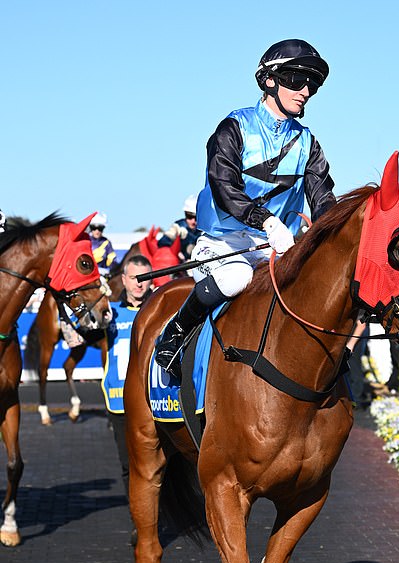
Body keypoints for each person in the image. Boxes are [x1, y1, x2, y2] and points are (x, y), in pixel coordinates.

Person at [154, 38, 336, 380]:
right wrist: (266, 220)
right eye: (297, 80)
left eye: (312, 84)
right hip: (224, 244)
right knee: (236, 277)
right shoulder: (234, 128)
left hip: (278, 248)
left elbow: (323, 196)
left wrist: (331, 232)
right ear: (270, 80)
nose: (306, 91)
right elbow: (224, 188)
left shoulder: (309, 142)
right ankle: (173, 336)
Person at [101, 255, 153, 496]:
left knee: (164, 465)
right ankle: (139, 520)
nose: (139, 283)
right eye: (134, 278)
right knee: (128, 465)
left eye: (144, 278)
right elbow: (77, 333)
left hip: (156, 403)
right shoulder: (110, 313)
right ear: (123, 280)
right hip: (120, 402)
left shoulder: (161, 309)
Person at [158, 195, 200, 261]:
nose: (193, 221)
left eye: (196, 218)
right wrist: (176, 252)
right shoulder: (177, 227)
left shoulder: (205, 230)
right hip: (178, 264)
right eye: (189, 216)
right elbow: (163, 242)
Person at [88, 211, 118, 277]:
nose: (97, 231)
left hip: (102, 275)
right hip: (87, 274)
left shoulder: (107, 243)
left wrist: (112, 271)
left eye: (100, 228)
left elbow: (112, 261)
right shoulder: (86, 241)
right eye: (94, 228)